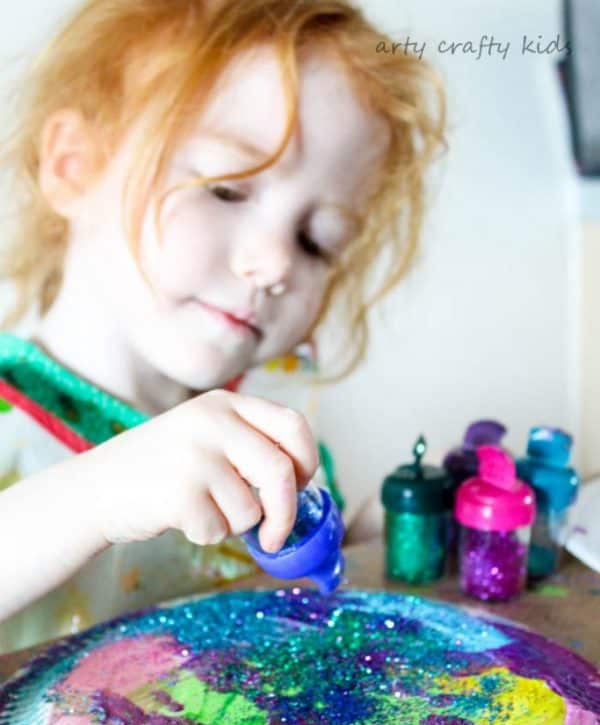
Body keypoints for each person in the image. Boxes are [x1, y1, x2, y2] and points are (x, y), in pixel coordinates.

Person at [0, 0, 445, 651]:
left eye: (317, 240)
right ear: (77, 165)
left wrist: (372, 536)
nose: (273, 264)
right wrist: (99, 494)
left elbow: (285, 607)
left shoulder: (273, 425)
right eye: (227, 190)